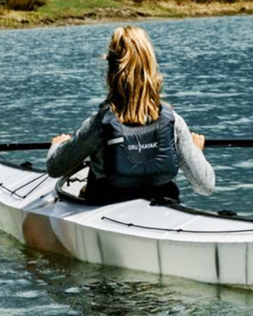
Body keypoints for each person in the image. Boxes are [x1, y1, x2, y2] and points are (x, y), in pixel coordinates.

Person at [46, 25, 215, 204]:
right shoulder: (174, 123)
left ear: (111, 71)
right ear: (152, 68)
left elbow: (54, 168)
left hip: (106, 208)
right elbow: (205, 185)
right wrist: (196, 150)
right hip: (160, 209)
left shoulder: (99, 125)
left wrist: (57, 145)